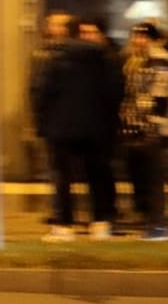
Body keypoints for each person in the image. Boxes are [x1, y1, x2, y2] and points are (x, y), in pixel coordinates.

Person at [37, 17, 123, 241]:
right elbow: (115, 95)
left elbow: (42, 93)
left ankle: (64, 226)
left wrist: (43, 125)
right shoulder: (107, 59)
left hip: (61, 129)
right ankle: (101, 223)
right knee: (98, 176)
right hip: (97, 129)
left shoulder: (55, 58)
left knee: (63, 179)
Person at [118, 22, 168, 241]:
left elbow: (161, 99)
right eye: (136, 36)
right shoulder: (133, 62)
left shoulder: (159, 61)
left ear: (154, 39)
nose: (138, 40)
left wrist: (154, 126)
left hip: (153, 130)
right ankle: (150, 220)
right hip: (135, 128)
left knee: (153, 178)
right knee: (141, 176)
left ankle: (157, 225)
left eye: (143, 36)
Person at [29, 11, 73, 223]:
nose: (56, 29)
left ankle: (66, 213)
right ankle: (59, 210)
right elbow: (35, 90)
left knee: (66, 169)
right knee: (56, 169)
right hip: (52, 122)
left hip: (70, 121)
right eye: (53, 24)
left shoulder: (72, 55)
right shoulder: (43, 54)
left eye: (60, 25)